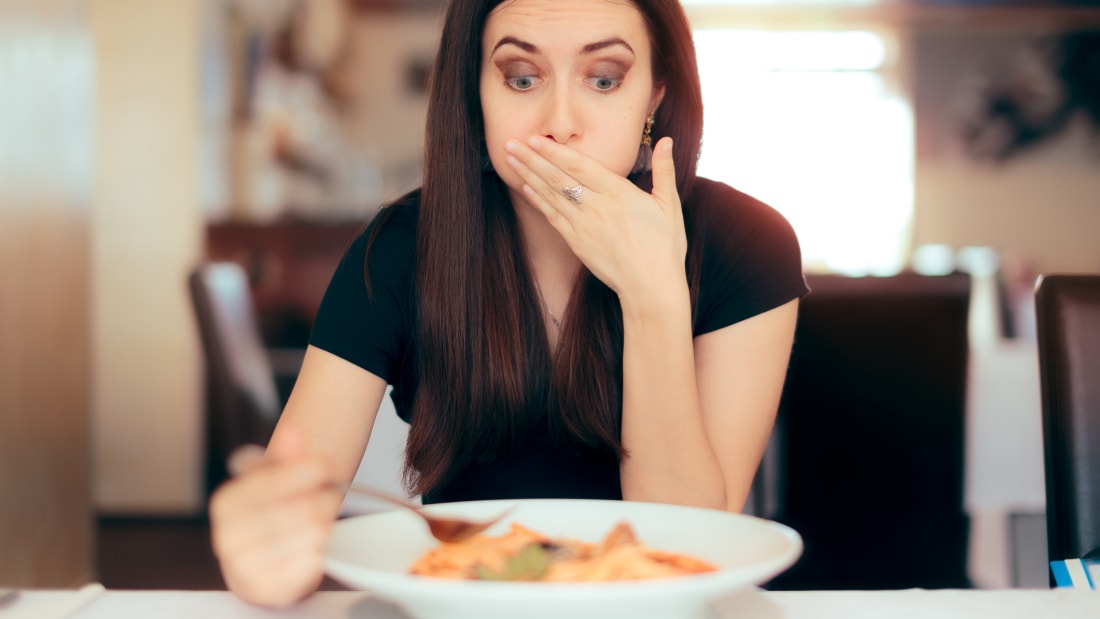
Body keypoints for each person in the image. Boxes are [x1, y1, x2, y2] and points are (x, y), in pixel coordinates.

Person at [209, 0, 808, 607]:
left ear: (654, 94)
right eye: (521, 78)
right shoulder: (399, 249)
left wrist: (652, 294)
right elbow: (290, 504)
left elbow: (690, 545)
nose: (561, 122)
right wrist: (265, 550)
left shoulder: (748, 244)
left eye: (604, 79)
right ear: (476, 94)